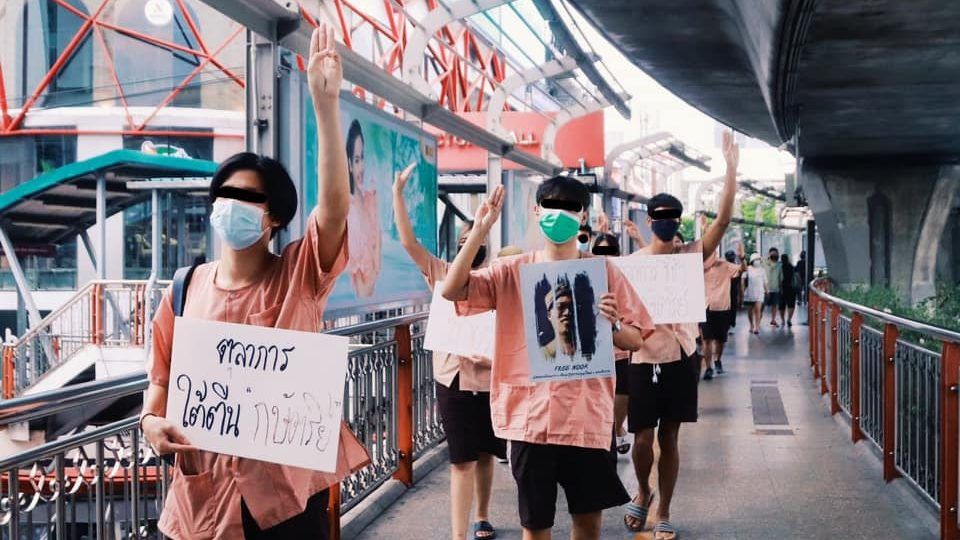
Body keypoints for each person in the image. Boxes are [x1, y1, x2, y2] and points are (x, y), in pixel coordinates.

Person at [140, 26, 370, 539]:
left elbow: (334, 211)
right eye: (224, 193)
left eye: (248, 199)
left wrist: (326, 108)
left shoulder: (299, 275)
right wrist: (151, 426)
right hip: (201, 505)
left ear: (274, 216)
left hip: (284, 501)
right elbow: (157, 390)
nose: (231, 205)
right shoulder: (182, 290)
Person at [441, 176, 655, 540]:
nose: (560, 214)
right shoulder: (512, 272)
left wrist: (611, 323)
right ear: (537, 211)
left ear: (582, 214)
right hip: (531, 421)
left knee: (588, 524)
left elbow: (635, 337)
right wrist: (479, 231)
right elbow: (452, 290)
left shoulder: (604, 273)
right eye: (551, 205)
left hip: (586, 419)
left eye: (570, 207)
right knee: (535, 526)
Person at [623, 131, 739, 540]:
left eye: (675, 215)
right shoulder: (632, 265)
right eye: (662, 216)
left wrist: (730, 169)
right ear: (650, 221)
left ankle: (665, 509)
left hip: (681, 357)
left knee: (670, 435)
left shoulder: (691, 255)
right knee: (641, 437)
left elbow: (723, 220)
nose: (669, 222)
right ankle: (642, 490)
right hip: (643, 358)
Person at [393, 164, 505, 540]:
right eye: (464, 244)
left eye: (477, 244)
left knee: (487, 453)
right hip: (453, 379)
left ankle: (483, 516)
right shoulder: (440, 273)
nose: (470, 251)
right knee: (461, 459)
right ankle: (459, 534)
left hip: (491, 379)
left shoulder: (497, 279)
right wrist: (396, 196)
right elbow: (407, 242)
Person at [591, 232, 632, 455]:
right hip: (595, 351)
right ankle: (609, 433)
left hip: (619, 349)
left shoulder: (622, 277)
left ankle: (616, 427)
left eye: (609, 252)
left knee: (623, 392)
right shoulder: (583, 272)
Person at [344, 117, 381, 298]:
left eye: (362, 158)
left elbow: (378, 237)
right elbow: (362, 291)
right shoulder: (347, 210)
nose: (361, 167)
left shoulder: (370, 199)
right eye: (356, 160)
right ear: (349, 164)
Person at [700, 242, 745, 379]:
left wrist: (742, 258)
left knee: (720, 339)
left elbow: (742, 270)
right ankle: (708, 368)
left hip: (722, 307)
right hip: (705, 307)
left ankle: (717, 359)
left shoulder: (725, 265)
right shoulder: (699, 267)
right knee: (706, 339)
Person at [743, 253, 767, 334]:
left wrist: (767, 291)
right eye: (756, 259)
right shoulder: (747, 269)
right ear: (752, 261)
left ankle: (757, 327)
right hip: (749, 292)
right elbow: (743, 279)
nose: (757, 261)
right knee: (750, 311)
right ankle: (751, 325)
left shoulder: (762, 270)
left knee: (758, 310)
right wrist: (742, 291)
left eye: (759, 260)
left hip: (760, 293)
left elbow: (765, 282)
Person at [763, 247, 783, 327]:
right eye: (773, 253)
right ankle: (758, 320)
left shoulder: (779, 265)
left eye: (776, 254)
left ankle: (773, 319)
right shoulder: (764, 263)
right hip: (765, 289)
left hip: (775, 289)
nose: (774, 255)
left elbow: (780, 278)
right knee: (761, 306)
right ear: (769, 254)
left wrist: (781, 289)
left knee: (774, 305)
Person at [724, 249, 743, 331]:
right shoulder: (723, 267)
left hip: (733, 291)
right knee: (727, 308)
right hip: (725, 291)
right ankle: (727, 324)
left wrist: (741, 295)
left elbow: (740, 282)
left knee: (732, 307)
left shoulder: (737, 267)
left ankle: (731, 324)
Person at [778, 253, 798, 327]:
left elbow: (779, 278)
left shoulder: (780, 267)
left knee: (781, 305)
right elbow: (796, 276)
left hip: (782, 288)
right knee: (791, 304)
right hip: (791, 288)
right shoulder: (791, 267)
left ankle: (782, 320)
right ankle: (789, 319)